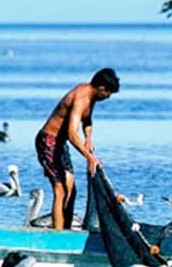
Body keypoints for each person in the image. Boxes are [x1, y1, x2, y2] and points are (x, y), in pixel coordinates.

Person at [35, 68, 118, 230]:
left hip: (60, 144)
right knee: (60, 190)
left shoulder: (91, 95)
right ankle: (58, 235)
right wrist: (90, 157)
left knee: (71, 190)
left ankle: (66, 231)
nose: (107, 98)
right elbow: (72, 134)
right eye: (108, 94)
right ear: (101, 88)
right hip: (48, 142)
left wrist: (88, 139)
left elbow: (87, 120)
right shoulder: (81, 97)